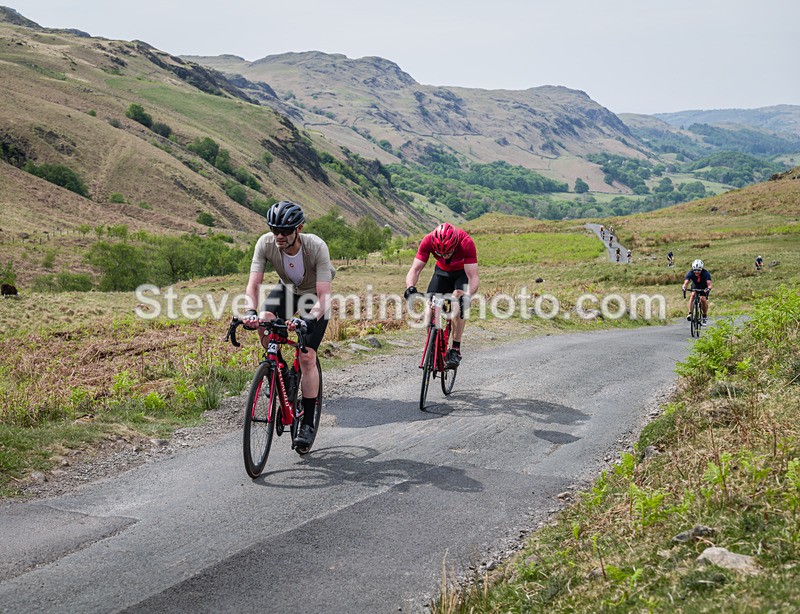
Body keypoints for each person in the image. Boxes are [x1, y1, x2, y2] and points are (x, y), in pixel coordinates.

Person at [242, 200, 334, 448]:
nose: (279, 236)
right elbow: (254, 284)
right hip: (288, 290)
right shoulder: (265, 243)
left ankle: (308, 421)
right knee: (264, 320)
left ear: (299, 228)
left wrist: (307, 319)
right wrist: (250, 311)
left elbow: (325, 296)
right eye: (275, 230)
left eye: (285, 231)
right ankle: (279, 369)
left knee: (306, 357)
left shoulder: (316, 247)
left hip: (314, 296)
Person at [404, 222, 479, 368]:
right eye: (441, 253)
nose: (445, 255)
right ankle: (432, 348)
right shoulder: (428, 241)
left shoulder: (466, 242)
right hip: (441, 273)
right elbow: (415, 269)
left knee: (458, 303)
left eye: (448, 252)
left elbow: (473, 277)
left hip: (461, 274)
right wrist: (410, 287)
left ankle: (455, 349)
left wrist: (467, 295)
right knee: (429, 305)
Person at [682, 259, 712, 325]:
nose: (696, 272)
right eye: (695, 270)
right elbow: (686, 282)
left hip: (704, 286)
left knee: (703, 299)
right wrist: (684, 287)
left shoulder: (706, 273)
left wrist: (708, 289)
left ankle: (704, 316)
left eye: (698, 270)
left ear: (701, 269)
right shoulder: (690, 273)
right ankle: (690, 313)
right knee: (692, 295)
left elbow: (709, 284)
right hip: (695, 285)